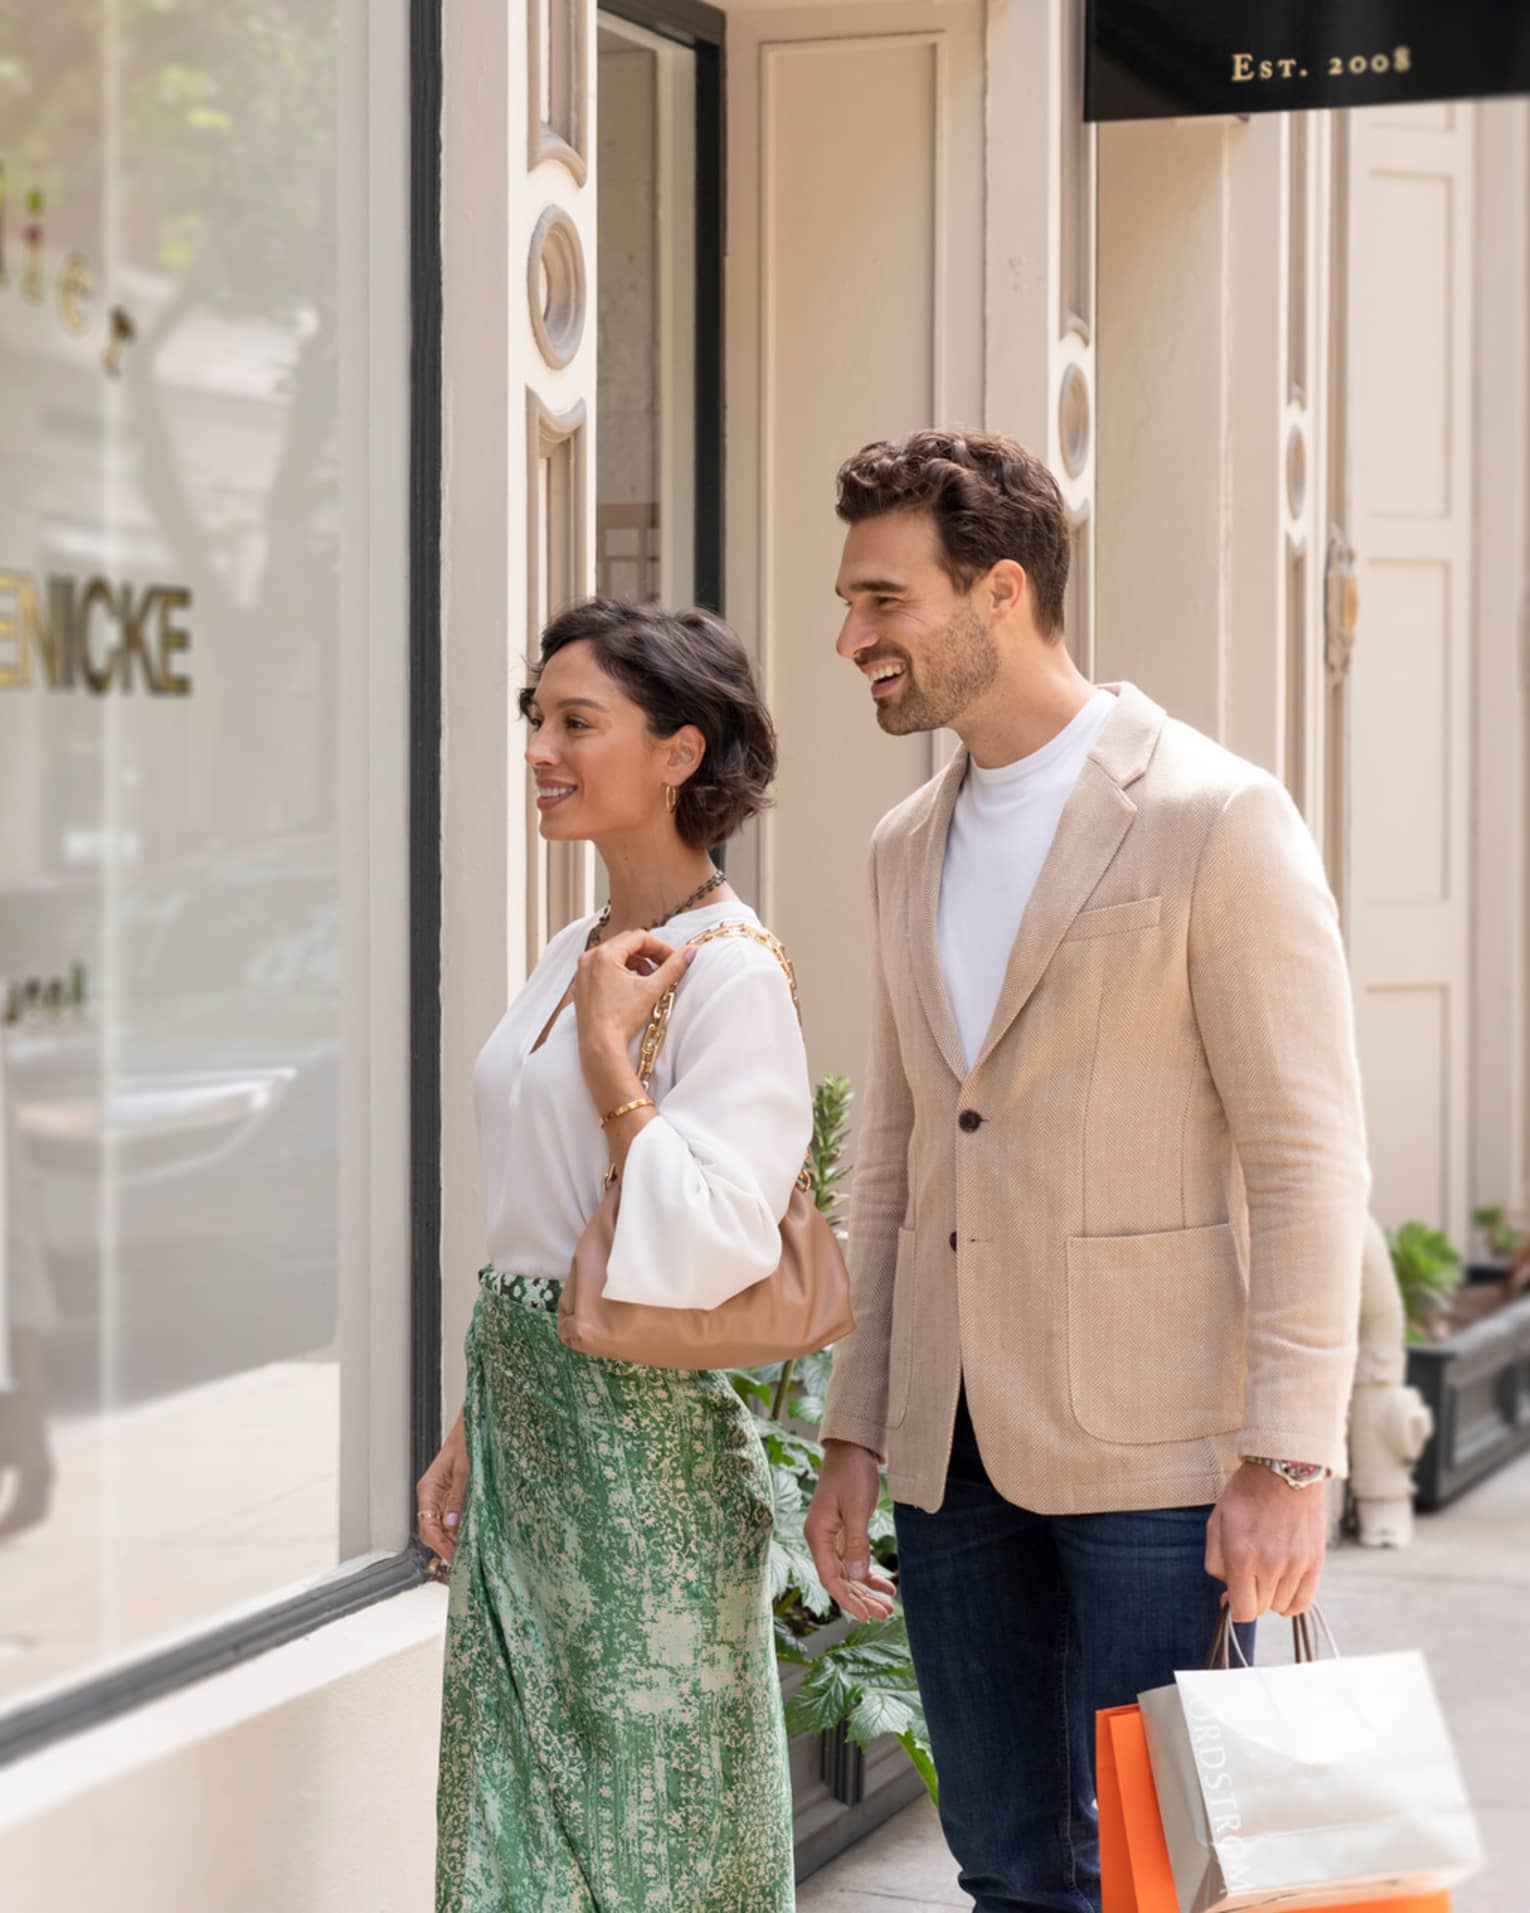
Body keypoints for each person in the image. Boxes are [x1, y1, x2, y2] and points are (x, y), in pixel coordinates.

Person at [804, 429, 1370, 1913]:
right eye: (849, 604)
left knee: (1167, 1872)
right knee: (1005, 1864)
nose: (851, 638)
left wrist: (1288, 1457)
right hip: (951, 1452)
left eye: (881, 600)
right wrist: (856, 1425)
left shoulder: (1212, 814)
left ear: (1001, 591)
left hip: (1160, 1459)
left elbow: (1306, 1155)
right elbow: (895, 1160)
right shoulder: (901, 844)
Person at [421, 597, 864, 1911]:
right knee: (512, 1816)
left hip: (642, 1458)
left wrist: (614, 1060)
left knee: (650, 1836)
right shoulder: (576, 948)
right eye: (536, 719)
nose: (539, 750)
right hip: (528, 1428)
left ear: (679, 751)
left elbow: (718, 1235)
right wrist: (475, 1417)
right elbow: (535, 1217)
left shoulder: (730, 971)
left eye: (577, 722)